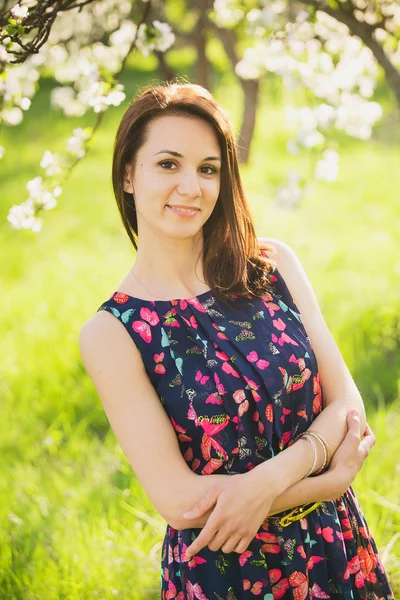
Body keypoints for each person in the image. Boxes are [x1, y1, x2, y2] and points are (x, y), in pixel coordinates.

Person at [79, 81, 394, 599]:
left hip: (335, 548)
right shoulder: (112, 333)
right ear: (128, 174)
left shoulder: (272, 269)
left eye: (208, 169)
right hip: (227, 572)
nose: (191, 186)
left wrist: (269, 480)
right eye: (168, 165)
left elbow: (348, 405)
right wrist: (327, 480)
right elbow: (181, 501)